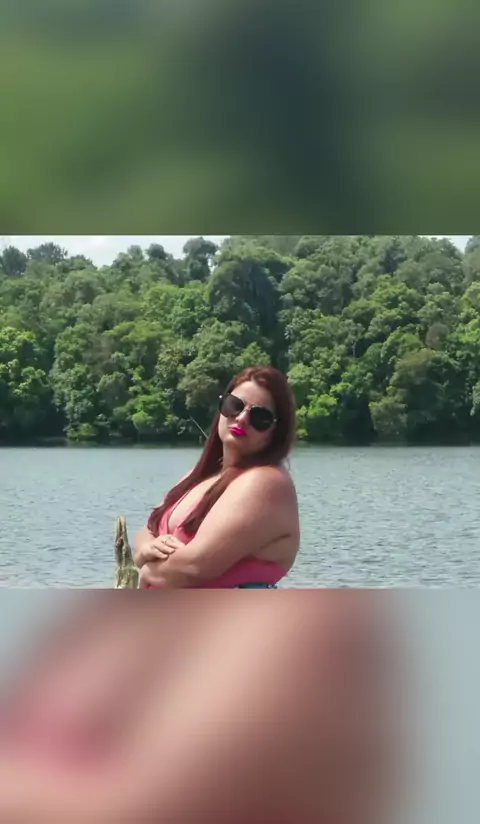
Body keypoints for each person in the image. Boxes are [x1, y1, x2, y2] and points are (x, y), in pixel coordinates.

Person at [133, 365, 300, 589]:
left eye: (260, 417)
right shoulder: (201, 476)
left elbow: (194, 566)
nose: (242, 418)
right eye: (234, 406)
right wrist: (145, 549)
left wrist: (148, 571)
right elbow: (149, 528)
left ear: (275, 432)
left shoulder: (266, 483)